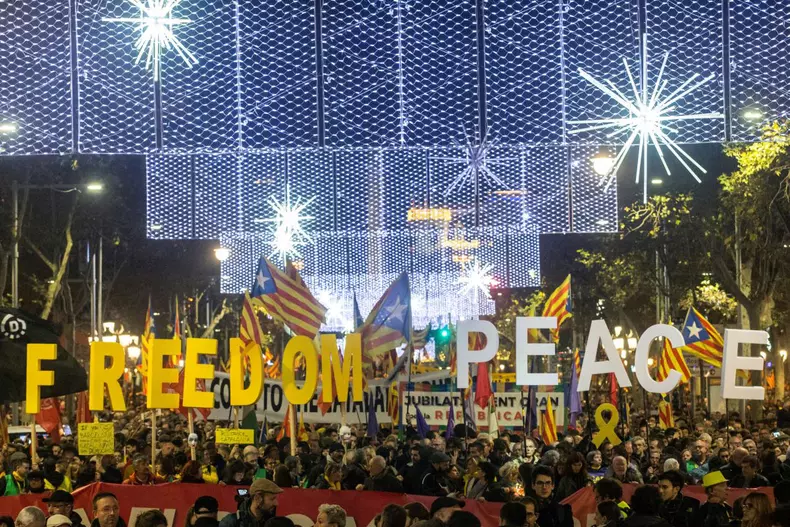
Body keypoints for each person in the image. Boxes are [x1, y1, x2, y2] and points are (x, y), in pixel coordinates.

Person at [218, 479, 283, 527]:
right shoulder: (231, 523)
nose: (276, 503)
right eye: (272, 499)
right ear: (257, 498)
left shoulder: (274, 523)